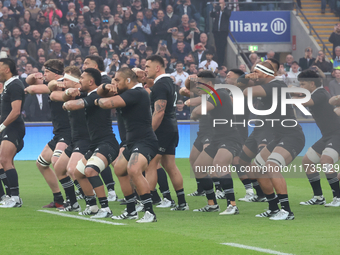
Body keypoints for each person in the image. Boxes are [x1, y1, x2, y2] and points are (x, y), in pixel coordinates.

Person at [244, 62, 305, 220]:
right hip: (280, 136)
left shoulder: (276, 85)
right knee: (256, 169)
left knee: (271, 166)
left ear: (266, 74)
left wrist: (246, 78)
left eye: (256, 72)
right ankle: (273, 208)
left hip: (292, 136)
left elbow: (246, 91)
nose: (254, 74)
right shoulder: (270, 86)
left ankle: (286, 211)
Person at [96, 67, 159, 223]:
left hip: (145, 141)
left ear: (128, 80)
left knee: (134, 169)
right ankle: (131, 210)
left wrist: (95, 101)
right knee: (119, 169)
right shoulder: (127, 92)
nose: (114, 83)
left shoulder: (137, 93)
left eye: (117, 80)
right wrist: (105, 87)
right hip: (132, 142)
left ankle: (149, 212)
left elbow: (106, 103)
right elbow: (100, 92)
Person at [62, 68, 120, 218]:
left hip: (107, 142)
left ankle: (105, 209)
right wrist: (68, 94)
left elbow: (73, 105)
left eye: (82, 77)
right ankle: (93, 206)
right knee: (78, 172)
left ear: (91, 81)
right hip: (95, 143)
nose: (79, 80)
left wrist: (68, 101)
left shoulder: (95, 95)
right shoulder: (90, 94)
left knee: (90, 171)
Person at [190, 70, 242, 215]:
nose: (197, 88)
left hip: (230, 138)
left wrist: (194, 112)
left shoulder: (219, 94)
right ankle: (212, 204)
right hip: (217, 138)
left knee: (220, 164)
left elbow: (199, 111)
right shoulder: (212, 95)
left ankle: (232, 205)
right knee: (199, 168)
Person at [144, 55, 189, 210]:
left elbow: (159, 112)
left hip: (161, 129)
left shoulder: (160, 85)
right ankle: (182, 202)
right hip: (172, 127)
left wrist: (148, 132)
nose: (145, 70)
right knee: (169, 165)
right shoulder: (170, 82)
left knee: (150, 164)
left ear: (157, 67)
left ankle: (146, 203)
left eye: (147, 66)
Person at [25, 59, 71, 208]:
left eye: (46, 72)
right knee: (41, 163)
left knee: (59, 164)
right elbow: (30, 84)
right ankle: (58, 198)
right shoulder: (53, 85)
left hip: (68, 131)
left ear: (56, 73)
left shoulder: (63, 84)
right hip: (58, 133)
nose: (44, 74)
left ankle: (74, 198)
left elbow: (32, 89)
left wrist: (32, 84)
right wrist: (33, 78)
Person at [298, 70, 340, 207]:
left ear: (312, 84)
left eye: (302, 84)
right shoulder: (316, 94)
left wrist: (288, 95)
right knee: (307, 161)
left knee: (326, 160)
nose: (301, 86)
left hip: (337, 134)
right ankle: (318, 197)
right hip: (328, 135)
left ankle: (338, 198)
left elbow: (304, 102)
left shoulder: (320, 93)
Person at [0, 58, 25, 208]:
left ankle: (15, 198)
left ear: (7, 69)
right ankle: (9, 196)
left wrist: (2, 126)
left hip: (13, 127)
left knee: (5, 159)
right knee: (3, 160)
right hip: (8, 127)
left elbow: (16, 112)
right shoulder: (8, 86)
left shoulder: (15, 85)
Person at [210, 0, 231, 66]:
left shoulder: (227, 10)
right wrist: (214, 8)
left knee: (222, 48)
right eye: (219, 3)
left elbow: (228, 15)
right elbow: (211, 15)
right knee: (217, 47)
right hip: (216, 31)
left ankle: (221, 63)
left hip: (223, 32)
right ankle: (218, 62)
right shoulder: (217, 10)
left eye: (221, 3)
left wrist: (222, 9)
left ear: (224, 3)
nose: (220, 4)